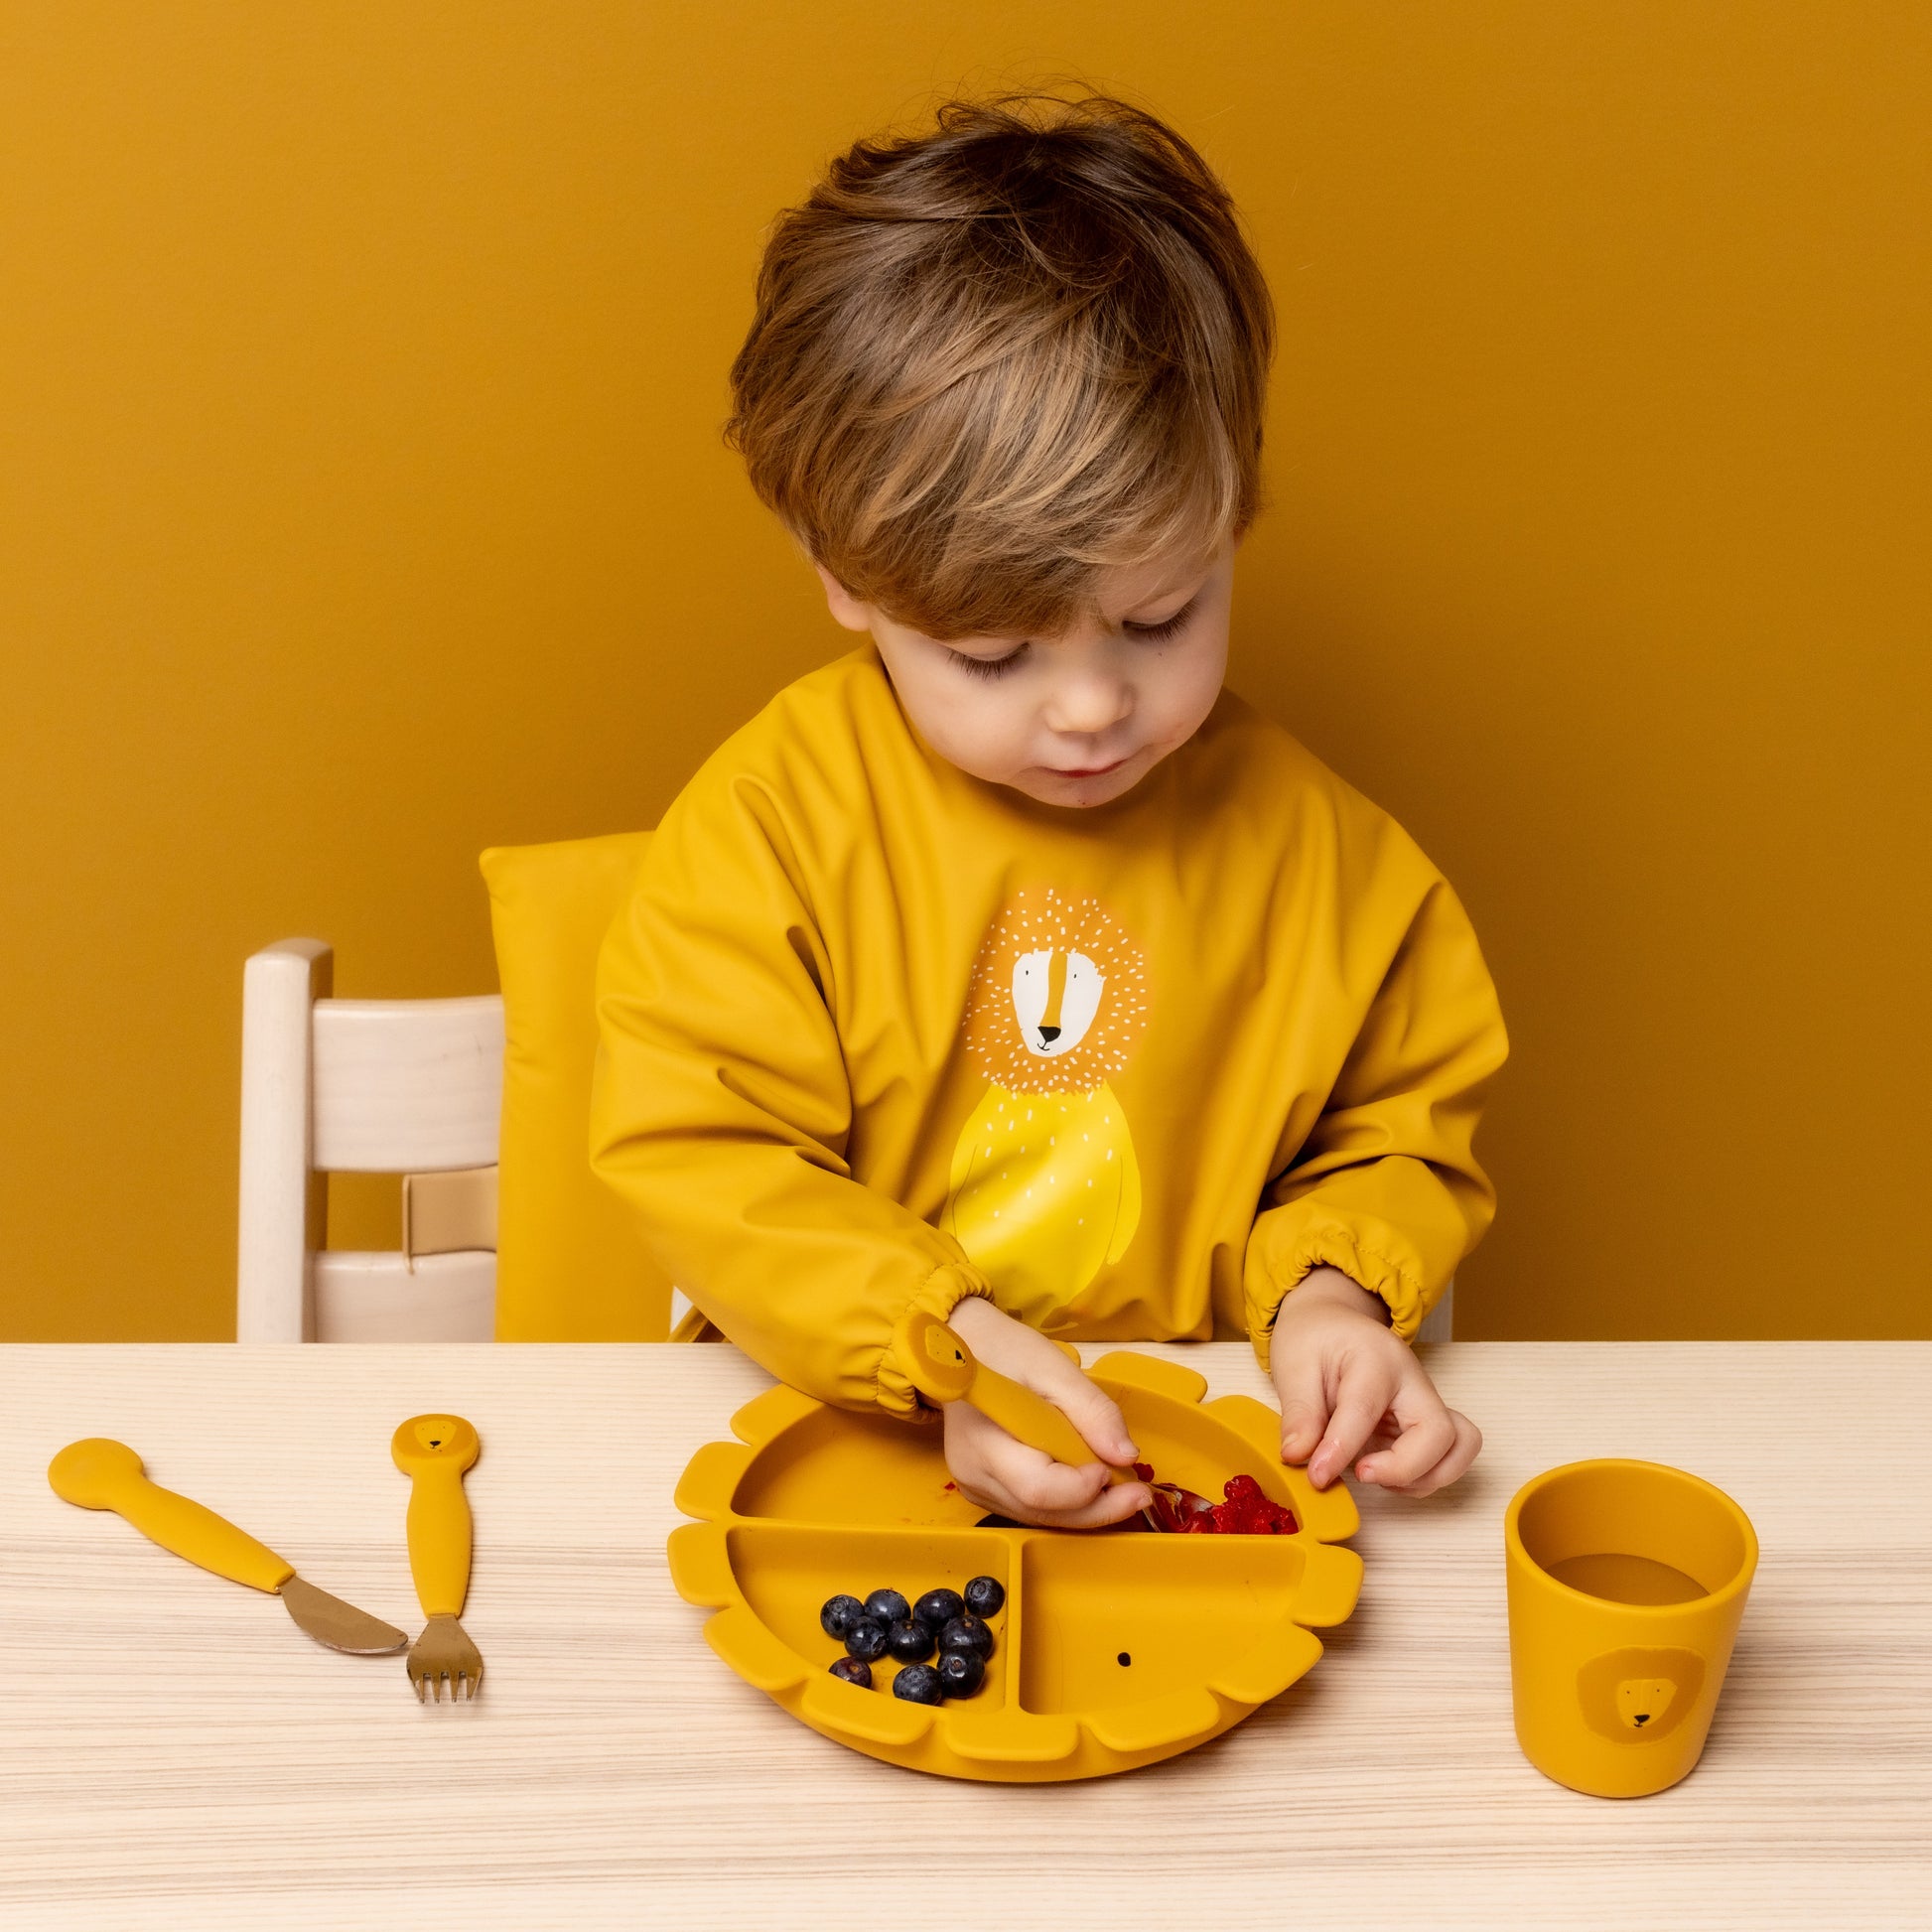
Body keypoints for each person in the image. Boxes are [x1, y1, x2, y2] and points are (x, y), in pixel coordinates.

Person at [590, 90, 1508, 1528]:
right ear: (843, 579)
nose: (1090, 707)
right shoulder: (772, 831)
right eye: (992, 655)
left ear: (1233, 520)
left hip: (1191, 1469)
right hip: (852, 1453)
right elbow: (706, 1158)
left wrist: (1333, 1294)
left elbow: (1395, 1130)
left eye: (1159, 618)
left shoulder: (1327, 859)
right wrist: (945, 1353)